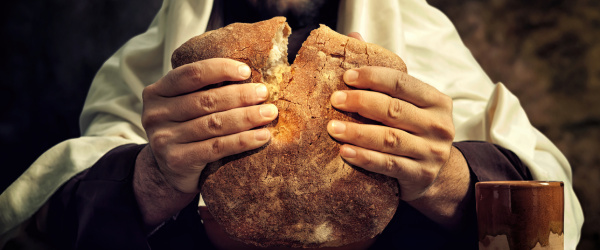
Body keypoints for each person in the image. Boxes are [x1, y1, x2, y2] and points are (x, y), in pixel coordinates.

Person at [0, 0, 584, 249]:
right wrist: (149, 180)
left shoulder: (420, 39)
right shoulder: (148, 69)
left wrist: (448, 178)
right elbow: (31, 231)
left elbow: (550, 222)